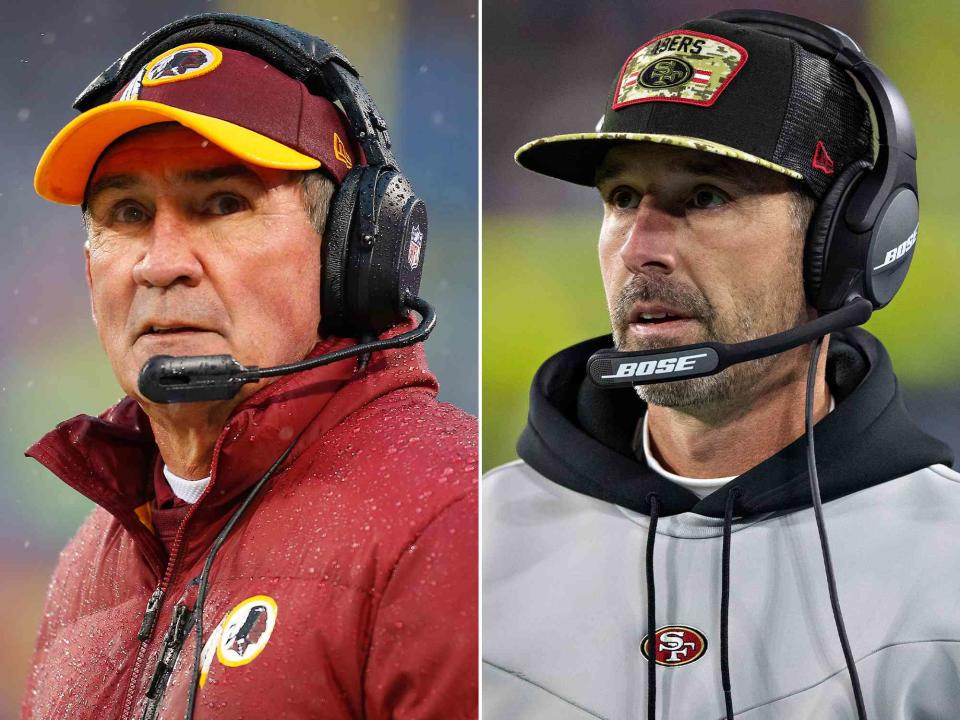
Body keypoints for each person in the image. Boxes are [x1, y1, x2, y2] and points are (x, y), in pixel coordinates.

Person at [483, 11, 960, 720]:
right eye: (620, 199)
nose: (641, 247)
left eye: (705, 197)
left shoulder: (945, 566)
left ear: (846, 241)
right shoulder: (473, 544)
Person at [23, 13, 477, 720]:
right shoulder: (92, 560)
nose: (161, 263)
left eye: (223, 204)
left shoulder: (452, 520)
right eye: (128, 212)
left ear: (351, 255)